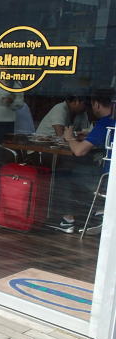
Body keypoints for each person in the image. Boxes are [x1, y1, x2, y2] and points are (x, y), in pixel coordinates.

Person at [52, 89, 115, 233]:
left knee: (64, 175)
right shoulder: (111, 123)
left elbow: (79, 151)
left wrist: (69, 138)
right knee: (83, 170)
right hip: (109, 176)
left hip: (107, 179)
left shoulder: (105, 124)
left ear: (97, 104)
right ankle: (99, 211)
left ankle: (67, 221)